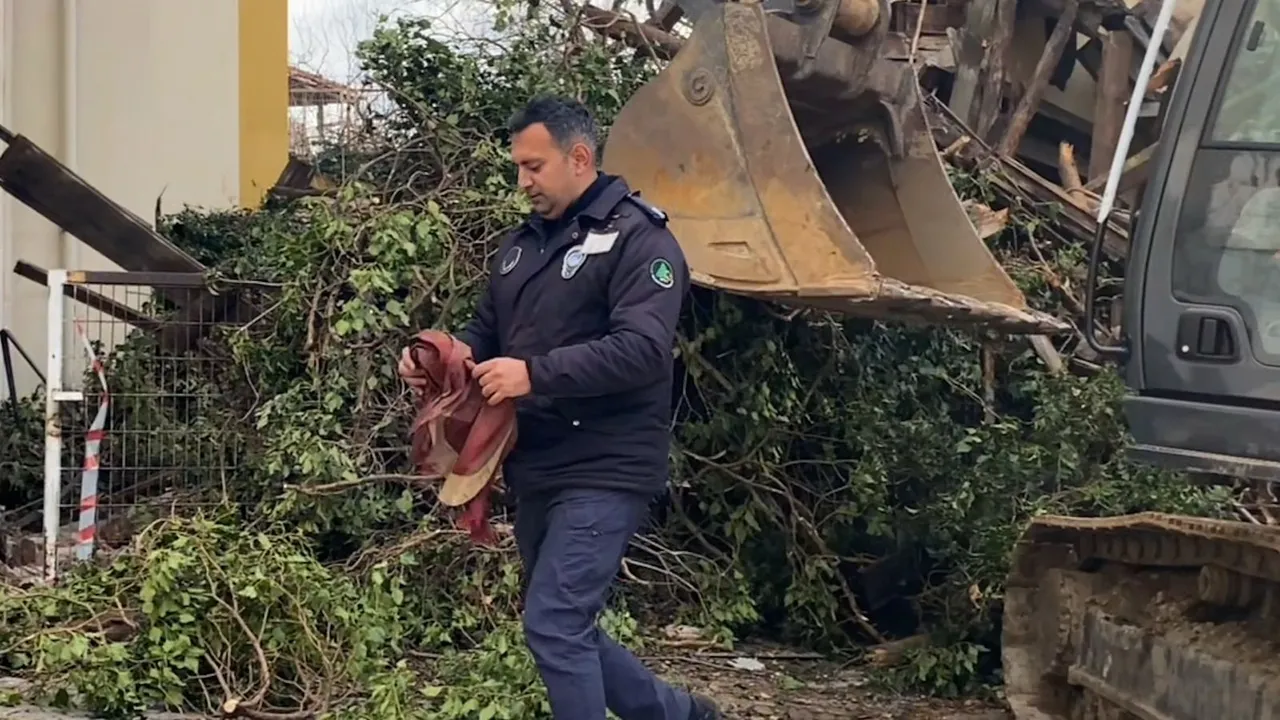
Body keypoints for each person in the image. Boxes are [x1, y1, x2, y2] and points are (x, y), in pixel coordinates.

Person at [398, 95, 722, 720]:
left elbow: (643, 351)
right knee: (565, 625)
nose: (522, 181)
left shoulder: (641, 240)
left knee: (553, 622)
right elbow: (485, 338)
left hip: (607, 464)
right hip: (538, 465)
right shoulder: (521, 249)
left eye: (533, 166)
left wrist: (534, 375)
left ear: (580, 158)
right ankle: (683, 716)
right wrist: (438, 358)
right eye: (518, 167)